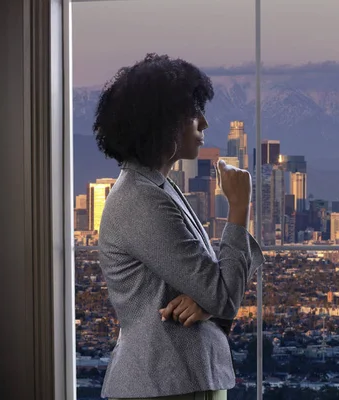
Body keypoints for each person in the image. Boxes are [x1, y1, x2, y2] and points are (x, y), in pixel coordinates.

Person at [94, 53, 264, 400]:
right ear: (161, 124)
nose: (203, 121)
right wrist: (239, 205)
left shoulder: (157, 188)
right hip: (168, 383)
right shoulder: (142, 200)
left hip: (178, 379)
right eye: (192, 113)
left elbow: (217, 290)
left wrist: (207, 301)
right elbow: (223, 293)